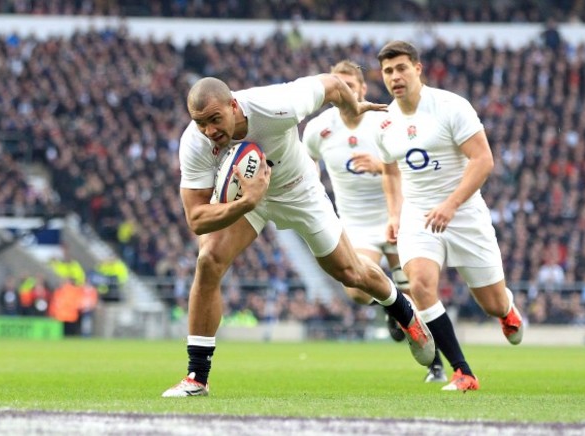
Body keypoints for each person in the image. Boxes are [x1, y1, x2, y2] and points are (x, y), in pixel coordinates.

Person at [161, 73, 436, 397]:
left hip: (298, 189)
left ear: (234, 106)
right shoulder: (194, 142)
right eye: (201, 122)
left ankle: (403, 310)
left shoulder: (277, 105)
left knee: (350, 272)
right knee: (208, 259)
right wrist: (249, 200)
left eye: (215, 119)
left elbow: (333, 83)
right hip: (247, 200)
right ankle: (197, 377)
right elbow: (196, 218)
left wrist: (352, 108)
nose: (210, 131)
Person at [376, 41, 524, 391]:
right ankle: (463, 372)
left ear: (418, 68)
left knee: (492, 302)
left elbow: (483, 159)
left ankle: (507, 311)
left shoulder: (450, 106)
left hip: (465, 213)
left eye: (401, 68)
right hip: (418, 215)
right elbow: (390, 171)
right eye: (387, 71)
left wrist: (452, 204)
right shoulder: (383, 123)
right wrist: (395, 214)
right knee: (421, 285)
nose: (395, 77)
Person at [302, 60, 446, 383]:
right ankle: (390, 304)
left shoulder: (384, 121)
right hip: (355, 225)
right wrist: (313, 180)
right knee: (356, 291)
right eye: (338, 85)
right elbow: (306, 156)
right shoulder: (318, 129)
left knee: (419, 294)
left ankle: (435, 364)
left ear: (363, 89)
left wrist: (381, 167)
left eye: (351, 86)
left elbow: (413, 163)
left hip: (396, 216)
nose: (345, 91)